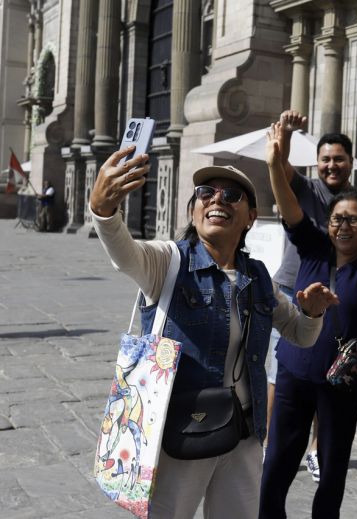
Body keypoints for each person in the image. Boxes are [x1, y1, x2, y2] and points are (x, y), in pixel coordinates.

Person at [89, 146, 338, 519]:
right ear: (194, 208)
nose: (216, 199)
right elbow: (124, 252)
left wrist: (312, 312)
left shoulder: (258, 278)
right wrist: (104, 212)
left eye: (231, 195)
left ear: (250, 217)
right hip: (179, 432)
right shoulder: (168, 262)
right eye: (206, 193)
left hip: (243, 434)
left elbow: (301, 335)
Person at [259, 124, 357, 518]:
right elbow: (290, 207)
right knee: (276, 463)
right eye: (337, 219)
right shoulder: (313, 248)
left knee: (332, 469)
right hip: (294, 371)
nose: (343, 225)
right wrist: (276, 164)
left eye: (353, 220)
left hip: (341, 381)